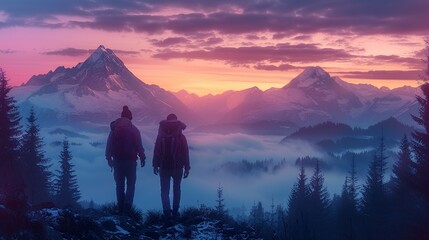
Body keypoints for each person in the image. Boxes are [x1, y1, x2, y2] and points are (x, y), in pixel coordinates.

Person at [106, 106, 146, 215]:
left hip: (117, 161)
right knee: (131, 184)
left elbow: (109, 144)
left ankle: (120, 207)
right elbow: (139, 145)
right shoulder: (134, 129)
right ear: (130, 118)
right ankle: (127, 208)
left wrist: (108, 158)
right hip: (131, 161)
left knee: (119, 185)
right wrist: (142, 158)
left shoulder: (114, 129)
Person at [153, 113, 190, 218]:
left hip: (163, 166)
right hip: (177, 166)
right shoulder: (181, 137)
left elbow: (157, 151)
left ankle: (166, 211)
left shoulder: (161, 136)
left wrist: (155, 165)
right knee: (176, 189)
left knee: (164, 190)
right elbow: (185, 152)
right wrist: (187, 167)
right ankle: (175, 211)